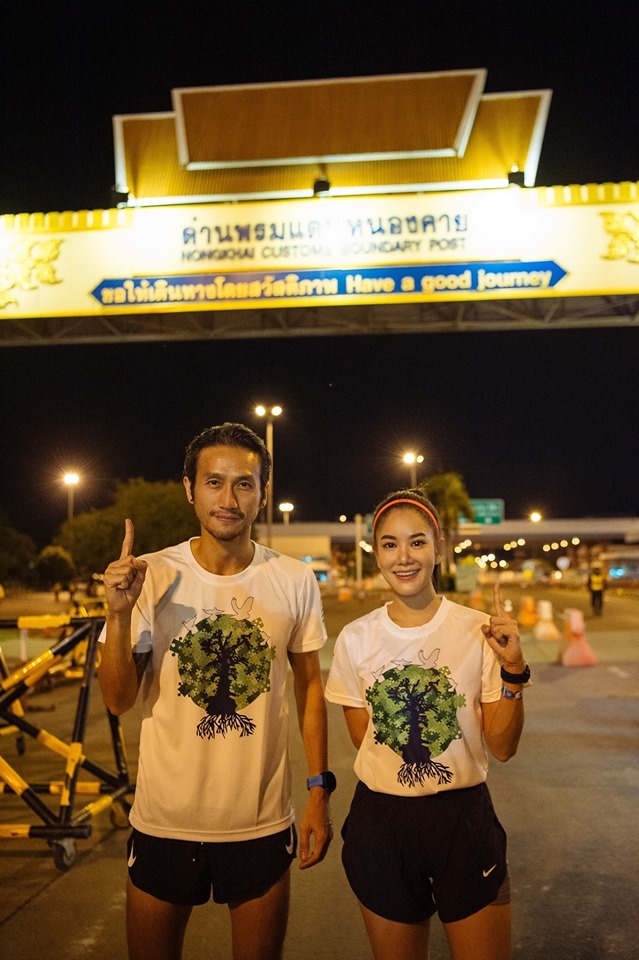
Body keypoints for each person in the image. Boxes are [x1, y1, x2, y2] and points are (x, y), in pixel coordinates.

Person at [99, 422, 334, 960]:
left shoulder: (293, 579)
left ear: (263, 493)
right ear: (189, 488)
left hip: (260, 822)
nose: (228, 500)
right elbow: (117, 700)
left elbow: (310, 687)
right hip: (163, 820)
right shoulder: (151, 575)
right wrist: (117, 615)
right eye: (214, 482)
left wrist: (319, 790)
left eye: (244, 484)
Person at [325, 489, 529, 960]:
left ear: (438, 549)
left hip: (463, 821)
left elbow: (502, 747)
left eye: (417, 542)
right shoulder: (355, 638)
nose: (404, 557)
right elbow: (367, 741)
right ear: (376, 554)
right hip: (382, 823)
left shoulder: (479, 630)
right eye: (390, 544)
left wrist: (513, 671)